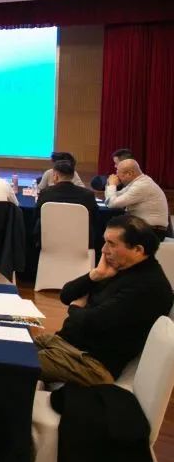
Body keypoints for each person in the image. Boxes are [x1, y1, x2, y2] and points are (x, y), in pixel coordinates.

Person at [35, 215, 172, 386]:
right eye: (105, 241)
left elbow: (90, 322)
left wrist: (75, 308)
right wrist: (95, 275)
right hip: (65, 344)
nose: (104, 250)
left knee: (10, 364)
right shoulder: (118, 268)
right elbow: (66, 295)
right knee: (9, 347)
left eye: (111, 244)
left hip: (90, 364)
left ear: (138, 249)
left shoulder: (149, 286)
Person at [35, 159, 98, 244]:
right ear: (73, 175)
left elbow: (37, 215)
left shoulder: (46, 193)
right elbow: (95, 217)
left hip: (49, 241)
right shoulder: (88, 195)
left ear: (56, 176)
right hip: (81, 241)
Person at [104, 159, 169, 239]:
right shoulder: (137, 182)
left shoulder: (142, 185)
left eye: (118, 173)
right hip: (145, 228)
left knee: (110, 228)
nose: (117, 176)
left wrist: (112, 185)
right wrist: (109, 184)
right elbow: (112, 198)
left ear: (129, 173)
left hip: (153, 231)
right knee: (112, 226)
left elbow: (112, 204)